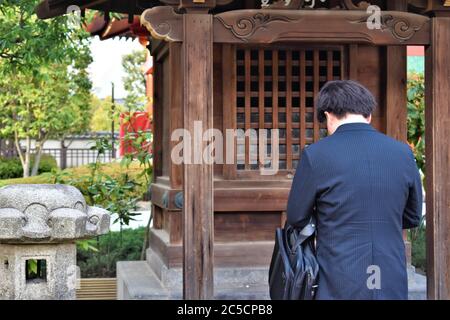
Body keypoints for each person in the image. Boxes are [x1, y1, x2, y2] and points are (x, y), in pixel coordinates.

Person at [286, 80, 422, 300]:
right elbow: (413, 216)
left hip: (339, 269)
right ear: (368, 115)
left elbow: (296, 216)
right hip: (389, 269)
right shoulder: (402, 153)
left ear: (328, 115)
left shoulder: (316, 155)